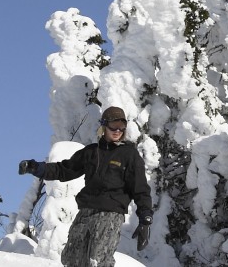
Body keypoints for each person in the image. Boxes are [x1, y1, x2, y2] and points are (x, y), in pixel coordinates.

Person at [18, 106, 153, 267]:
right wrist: (36, 168)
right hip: (86, 211)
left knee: (97, 261)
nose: (118, 130)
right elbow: (64, 170)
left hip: (110, 214)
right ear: (104, 126)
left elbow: (141, 189)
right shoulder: (91, 152)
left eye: (121, 127)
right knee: (71, 259)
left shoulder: (129, 155)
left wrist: (145, 219)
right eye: (113, 126)